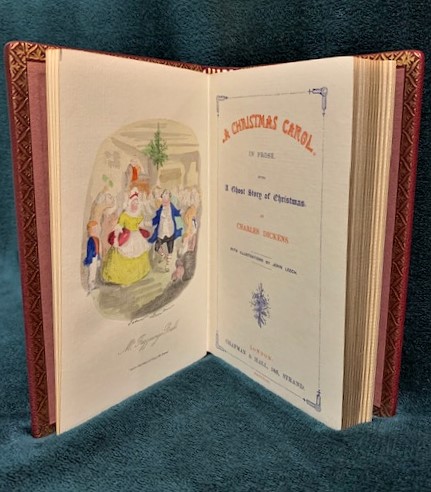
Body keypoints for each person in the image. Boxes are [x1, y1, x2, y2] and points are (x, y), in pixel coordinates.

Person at [102, 188, 151, 285]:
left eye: (137, 203)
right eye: (133, 203)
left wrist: (144, 227)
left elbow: (141, 225)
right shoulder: (124, 215)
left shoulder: (139, 215)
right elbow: (119, 227)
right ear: (130, 203)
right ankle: (124, 278)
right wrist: (116, 239)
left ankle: (136, 276)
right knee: (122, 254)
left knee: (138, 254)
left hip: (137, 237)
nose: (135, 205)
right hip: (126, 237)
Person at [149, 189, 182, 272]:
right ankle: (163, 255)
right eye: (163, 196)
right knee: (157, 247)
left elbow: (177, 213)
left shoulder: (172, 206)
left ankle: (167, 265)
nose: (164, 197)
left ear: (169, 198)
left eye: (166, 195)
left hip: (171, 231)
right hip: (161, 232)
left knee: (170, 250)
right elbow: (156, 218)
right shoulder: (161, 208)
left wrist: (181, 211)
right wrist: (149, 222)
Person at [83, 220, 100, 292]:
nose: (96, 230)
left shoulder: (97, 239)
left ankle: (93, 284)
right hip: (92, 258)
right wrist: (89, 260)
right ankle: (90, 285)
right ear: (90, 230)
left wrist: (98, 258)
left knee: (94, 271)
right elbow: (89, 251)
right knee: (91, 272)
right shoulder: (90, 240)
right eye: (95, 229)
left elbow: (98, 250)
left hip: (96, 257)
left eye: (97, 228)